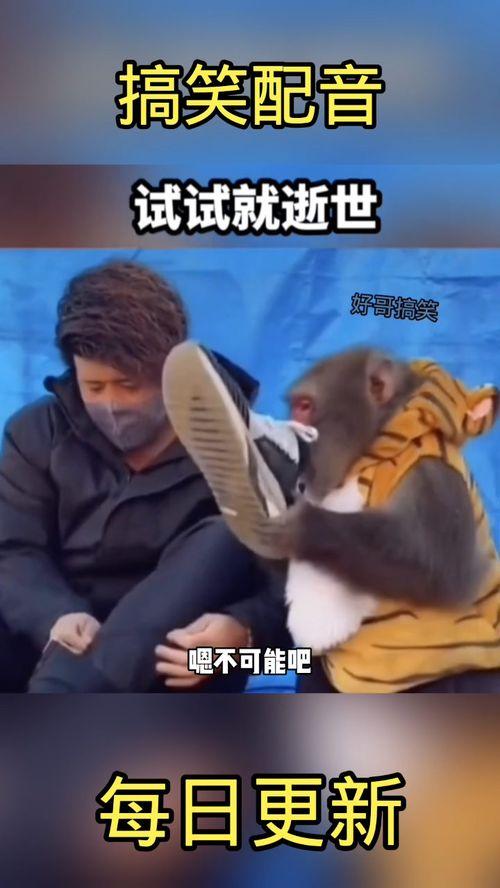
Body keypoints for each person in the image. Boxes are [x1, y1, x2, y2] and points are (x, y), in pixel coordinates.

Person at [0, 260, 297, 692]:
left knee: (224, 536)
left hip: (175, 664)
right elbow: (13, 550)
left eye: (129, 385)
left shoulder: (252, 452)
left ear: (171, 370)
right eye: (94, 387)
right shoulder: (36, 433)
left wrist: (243, 635)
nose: (112, 405)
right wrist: (53, 614)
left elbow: (303, 614)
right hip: (55, 642)